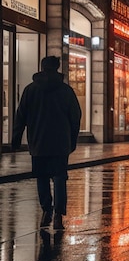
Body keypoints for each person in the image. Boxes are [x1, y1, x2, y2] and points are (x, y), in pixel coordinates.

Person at [11, 56, 82, 230]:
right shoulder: (66, 91)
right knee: (59, 177)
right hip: (60, 143)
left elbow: (20, 116)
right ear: (57, 68)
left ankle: (46, 211)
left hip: (38, 142)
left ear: (42, 67)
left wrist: (16, 139)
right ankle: (58, 214)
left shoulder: (30, 90)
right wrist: (72, 139)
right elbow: (75, 116)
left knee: (41, 177)